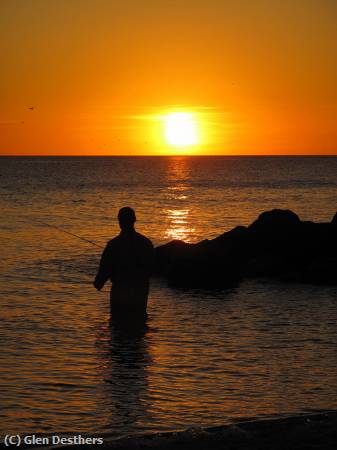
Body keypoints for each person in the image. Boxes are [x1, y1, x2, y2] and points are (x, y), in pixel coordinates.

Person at [94, 207, 154, 321]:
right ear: (134, 219)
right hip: (140, 294)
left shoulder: (113, 245)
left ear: (119, 221)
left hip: (120, 294)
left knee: (118, 327)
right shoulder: (146, 243)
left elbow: (103, 271)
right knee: (138, 328)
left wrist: (98, 283)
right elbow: (153, 268)